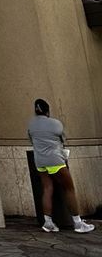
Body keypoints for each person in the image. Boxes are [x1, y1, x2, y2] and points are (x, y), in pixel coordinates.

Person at [27, 98, 95, 234]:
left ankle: (48, 223)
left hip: (40, 162)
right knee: (69, 188)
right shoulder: (55, 123)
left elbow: (31, 140)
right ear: (47, 111)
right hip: (55, 161)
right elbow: (63, 139)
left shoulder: (31, 124)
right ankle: (78, 223)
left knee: (47, 189)